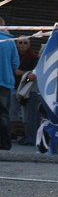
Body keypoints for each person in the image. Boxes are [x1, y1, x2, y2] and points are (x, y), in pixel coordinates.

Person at [14, 37, 41, 146]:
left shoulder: (34, 58)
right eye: (20, 42)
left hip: (30, 90)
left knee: (30, 115)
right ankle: (28, 137)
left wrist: (24, 77)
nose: (23, 45)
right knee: (26, 115)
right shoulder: (16, 56)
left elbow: (32, 77)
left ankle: (31, 138)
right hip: (21, 88)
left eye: (25, 42)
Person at [0, 18, 20, 151]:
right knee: (3, 114)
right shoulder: (10, 42)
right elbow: (15, 64)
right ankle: (5, 143)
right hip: (5, 83)